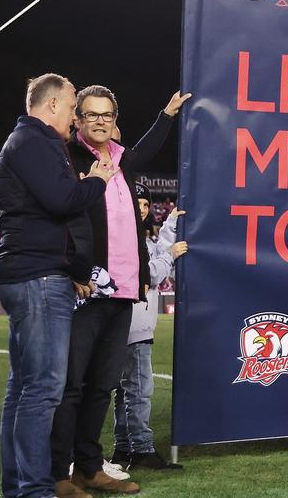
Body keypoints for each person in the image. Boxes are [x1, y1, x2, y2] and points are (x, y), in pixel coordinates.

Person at [51, 86, 188, 496]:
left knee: (102, 385)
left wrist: (166, 114)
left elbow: (145, 151)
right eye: (91, 114)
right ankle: (58, 471)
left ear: (115, 120)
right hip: (86, 291)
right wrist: (74, 267)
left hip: (126, 292)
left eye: (107, 115)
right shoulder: (66, 158)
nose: (99, 121)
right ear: (77, 118)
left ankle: (90, 468)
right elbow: (60, 218)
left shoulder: (122, 160)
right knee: (72, 385)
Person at [0, 74, 116, 498]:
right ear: (51, 106)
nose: (73, 118)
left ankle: (19, 486)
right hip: (38, 277)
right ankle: (32, 489)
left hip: (30, 274)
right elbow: (63, 202)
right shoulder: (35, 142)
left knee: (24, 388)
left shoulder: (30, 143)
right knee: (42, 389)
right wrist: (96, 181)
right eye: (70, 108)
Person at [113, 189, 186, 470]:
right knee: (139, 391)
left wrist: (172, 222)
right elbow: (148, 272)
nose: (142, 208)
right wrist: (169, 256)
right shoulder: (124, 237)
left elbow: (156, 251)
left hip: (129, 326)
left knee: (125, 392)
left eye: (146, 204)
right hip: (132, 327)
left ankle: (122, 449)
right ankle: (141, 449)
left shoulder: (138, 237)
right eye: (137, 203)